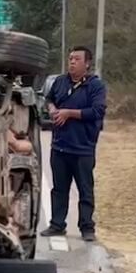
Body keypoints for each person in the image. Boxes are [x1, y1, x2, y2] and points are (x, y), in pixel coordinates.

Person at [42, 46, 107, 241]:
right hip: (60, 145)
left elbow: (97, 111)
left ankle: (87, 227)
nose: (72, 62)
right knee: (59, 188)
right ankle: (57, 224)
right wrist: (53, 109)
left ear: (87, 63)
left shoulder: (95, 86)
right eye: (70, 58)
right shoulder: (60, 82)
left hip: (83, 148)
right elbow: (49, 99)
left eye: (77, 59)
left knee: (85, 189)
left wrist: (69, 113)